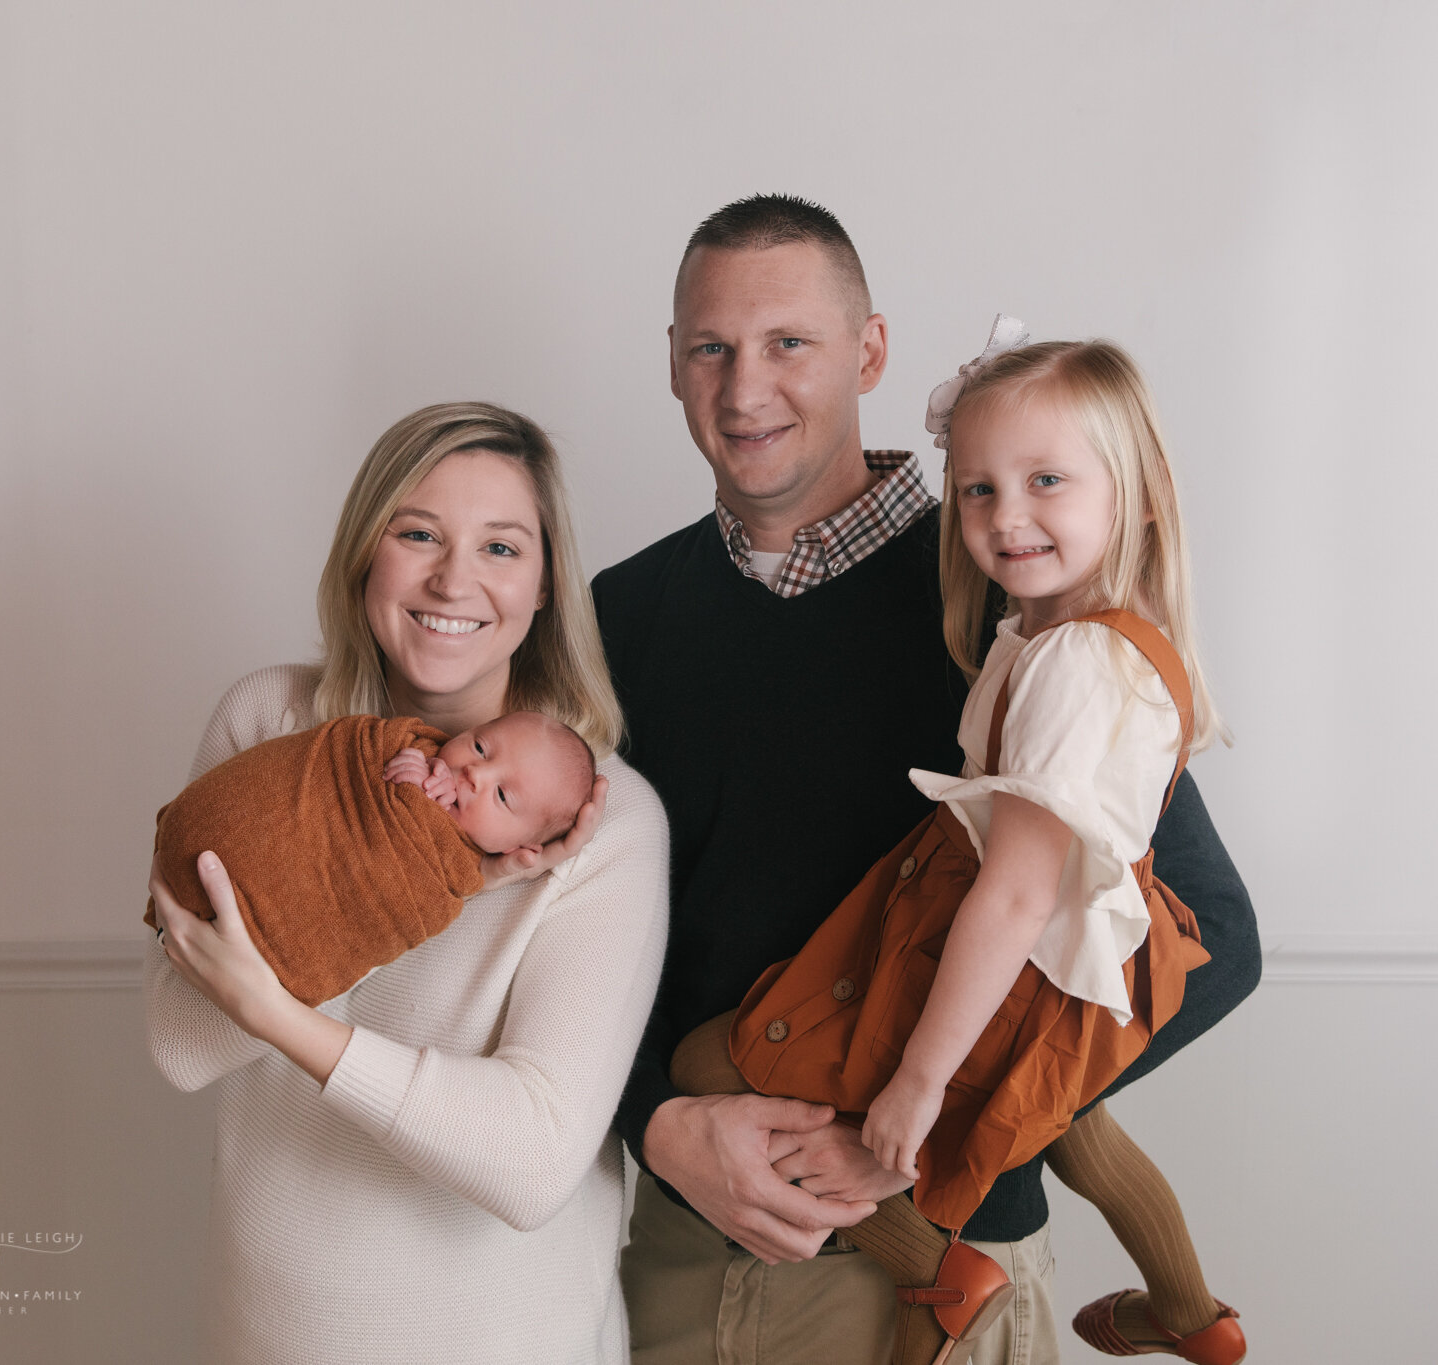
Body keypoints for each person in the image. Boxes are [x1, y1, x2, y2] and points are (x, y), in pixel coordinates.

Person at [595, 196, 1261, 1365]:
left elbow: (1207, 947)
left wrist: (915, 1123)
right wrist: (655, 1120)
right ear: (670, 363)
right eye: (710, 347)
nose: (744, 387)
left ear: (870, 354)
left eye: (788, 343)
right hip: (676, 1263)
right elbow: (569, 944)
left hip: (945, 1272)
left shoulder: (1014, 605)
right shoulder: (612, 618)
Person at [144, 401, 669, 1365]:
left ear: (548, 583)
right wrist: (405, 871)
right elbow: (182, 1041)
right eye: (417, 532)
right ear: (364, 555)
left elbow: (532, 1162)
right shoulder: (268, 726)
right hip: (263, 1341)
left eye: (502, 547)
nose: (453, 579)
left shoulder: (601, 818)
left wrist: (288, 1009)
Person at [146, 708, 598, 1007]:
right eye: (480, 747)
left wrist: (486, 876)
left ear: (522, 848)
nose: (474, 773)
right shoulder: (407, 750)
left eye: (502, 795)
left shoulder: (469, 874)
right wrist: (412, 773)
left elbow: (404, 893)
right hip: (200, 847)